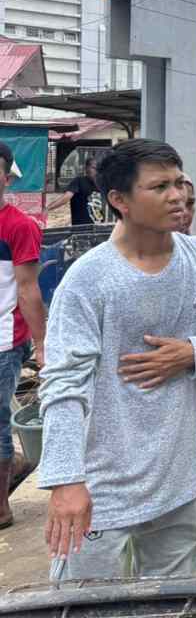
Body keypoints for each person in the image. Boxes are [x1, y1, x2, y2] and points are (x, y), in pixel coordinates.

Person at [38, 139, 196, 578]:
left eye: (179, 182)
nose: (177, 196)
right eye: (159, 187)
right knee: (85, 608)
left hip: (181, 482)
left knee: (180, 606)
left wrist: (194, 352)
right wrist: (66, 479)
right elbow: (64, 383)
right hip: (101, 491)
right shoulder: (88, 281)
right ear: (118, 200)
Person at [0, 142, 44, 529]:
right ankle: (17, 464)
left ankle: (2, 508)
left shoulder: (19, 226)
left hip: (3, 341)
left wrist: (42, 343)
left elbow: (28, 290)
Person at [68, 157, 99, 227]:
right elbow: (66, 197)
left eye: (98, 169)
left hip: (98, 227)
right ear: (86, 168)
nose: (96, 171)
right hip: (81, 227)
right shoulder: (79, 181)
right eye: (93, 168)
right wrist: (48, 208)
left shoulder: (101, 184)